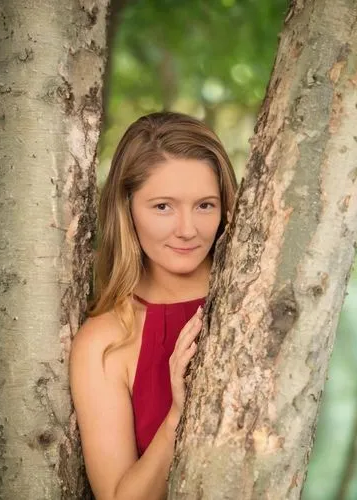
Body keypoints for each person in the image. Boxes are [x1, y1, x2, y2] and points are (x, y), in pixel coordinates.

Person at [70, 111, 238, 500]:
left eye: (205, 205)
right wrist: (178, 414)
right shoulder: (104, 341)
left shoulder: (254, 293)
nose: (187, 229)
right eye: (163, 206)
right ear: (126, 208)